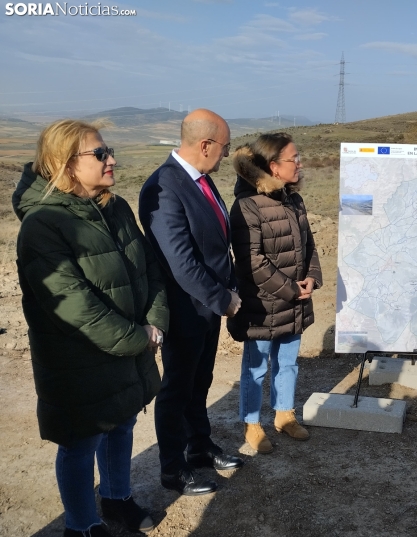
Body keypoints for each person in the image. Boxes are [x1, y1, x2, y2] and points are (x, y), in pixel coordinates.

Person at [13, 119, 168, 537]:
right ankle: (81, 525)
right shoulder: (42, 225)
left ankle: (117, 498)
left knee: (122, 424)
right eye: (99, 154)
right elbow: (76, 308)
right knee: (81, 443)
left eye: (109, 150)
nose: (111, 159)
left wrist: (155, 321)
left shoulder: (114, 207)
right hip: (78, 358)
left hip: (130, 347)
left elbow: (149, 269)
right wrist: (139, 339)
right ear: (65, 164)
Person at [139, 109, 243, 496]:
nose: (226, 154)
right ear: (205, 145)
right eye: (225, 147)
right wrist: (223, 299)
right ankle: (172, 469)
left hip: (209, 307)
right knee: (177, 389)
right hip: (184, 308)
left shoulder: (201, 181)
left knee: (200, 382)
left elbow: (216, 245)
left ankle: (199, 447)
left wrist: (229, 290)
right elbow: (180, 260)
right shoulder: (164, 186)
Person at [229, 133, 322, 454]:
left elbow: (308, 245)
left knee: (288, 362)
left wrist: (311, 278)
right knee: (255, 367)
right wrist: (289, 289)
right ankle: (252, 424)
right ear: (273, 166)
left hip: (294, 300)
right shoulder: (247, 206)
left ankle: (284, 415)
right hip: (261, 305)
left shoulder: (293, 200)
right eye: (293, 159)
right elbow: (251, 261)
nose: (299, 163)